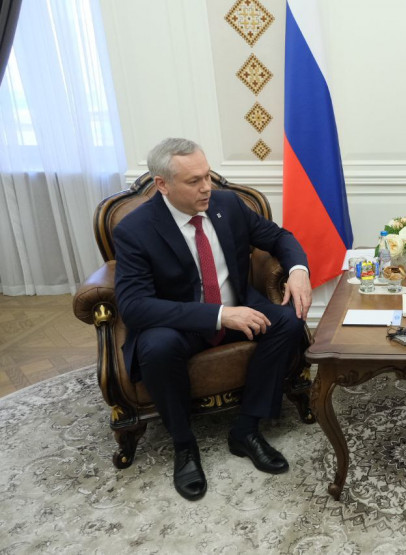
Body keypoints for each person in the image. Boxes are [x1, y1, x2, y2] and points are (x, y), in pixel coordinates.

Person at [114, 138, 313, 501]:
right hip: (180, 323)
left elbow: (279, 237)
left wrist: (298, 271)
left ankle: (247, 429)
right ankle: (184, 445)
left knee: (288, 321)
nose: (207, 187)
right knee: (157, 347)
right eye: (194, 181)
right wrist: (219, 315)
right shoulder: (135, 230)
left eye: (207, 176)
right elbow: (134, 306)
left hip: (238, 305)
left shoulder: (228, 205)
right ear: (162, 184)